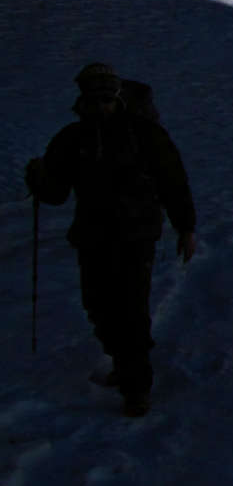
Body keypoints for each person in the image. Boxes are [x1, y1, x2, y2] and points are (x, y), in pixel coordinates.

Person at [24, 63, 197, 417]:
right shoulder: (72, 138)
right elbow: (56, 193)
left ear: (117, 95)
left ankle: (137, 387)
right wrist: (38, 178)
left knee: (130, 308)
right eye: (95, 97)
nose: (101, 104)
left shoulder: (144, 134)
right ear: (83, 97)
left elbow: (172, 181)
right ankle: (124, 362)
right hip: (94, 236)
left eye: (107, 96)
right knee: (98, 306)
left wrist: (186, 227)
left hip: (136, 235)